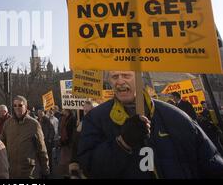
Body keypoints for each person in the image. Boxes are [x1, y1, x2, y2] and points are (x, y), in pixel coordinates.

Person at [78, 71, 223, 178]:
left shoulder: (176, 116)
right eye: (115, 77)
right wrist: (121, 144)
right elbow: (88, 167)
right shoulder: (95, 119)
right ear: (109, 81)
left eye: (126, 75)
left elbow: (211, 163)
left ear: (139, 78)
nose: (120, 81)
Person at [0, 96, 49, 179]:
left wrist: (45, 171)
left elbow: (42, 149)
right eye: (15, 105)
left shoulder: (34, 124)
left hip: (29, 172)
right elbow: (1, 143)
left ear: (25, 107)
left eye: (20, 105)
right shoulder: (8, 123)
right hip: (11, 171)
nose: (17, 107)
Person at [59, 108, 78, 176]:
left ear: (67, 110)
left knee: (68, 159)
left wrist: (70, 141)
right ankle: (66, 173)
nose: (62, 110)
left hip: (69, 142)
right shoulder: (63, 118)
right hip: (63, 141)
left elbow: (72, 131)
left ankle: (69, 173)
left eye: (63, 109)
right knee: (64, 160)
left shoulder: (72, 118)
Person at [37, 110, 55, 174]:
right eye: (39, 113)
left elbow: (52, 130)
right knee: (40, 156)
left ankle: (49, 169)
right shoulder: (37, 120)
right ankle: (42, 170)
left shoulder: (47, 120)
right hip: (39, 141)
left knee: (48, 156)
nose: (40, 115)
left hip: (46, 141)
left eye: (41, 113)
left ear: (43, 114)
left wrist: (49, 139)